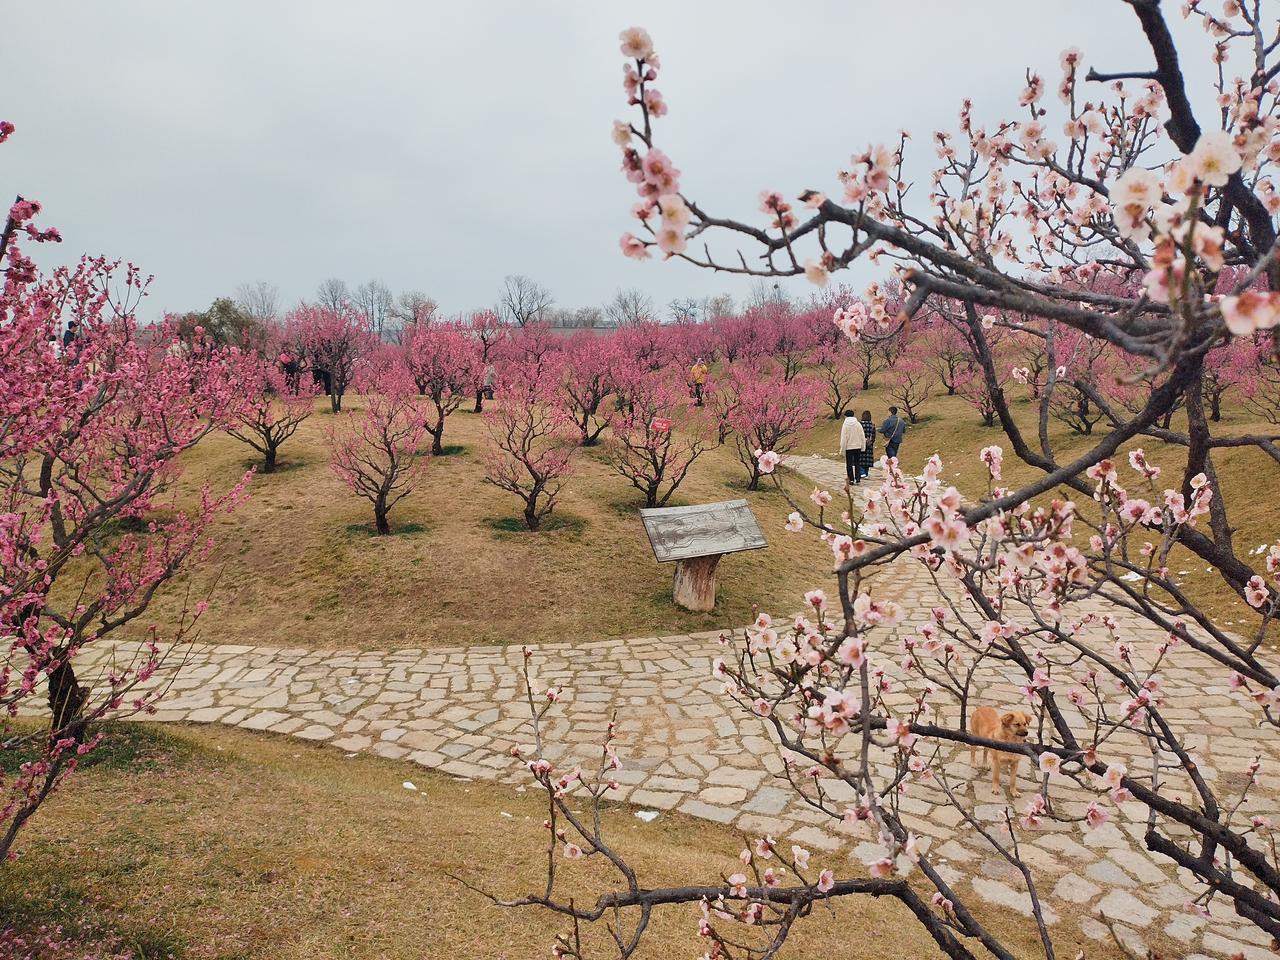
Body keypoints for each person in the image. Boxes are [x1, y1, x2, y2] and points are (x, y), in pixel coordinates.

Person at [838, 409, 867, 486]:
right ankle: (858, 478)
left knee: (849, 464)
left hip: (849, 447)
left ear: (846, 416)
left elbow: (844, 438)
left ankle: (851, 479)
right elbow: (862, 436)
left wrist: (842, 450)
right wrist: (863, 446)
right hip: (857, 446)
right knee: (857, 463)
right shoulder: (858, 424)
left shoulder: (845, 425)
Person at [857, 409, 876, 480]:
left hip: (861, 444)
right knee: (867, 460)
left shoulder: (860, 424)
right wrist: (871, 442)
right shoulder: (872, 425)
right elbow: (873, 436)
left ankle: (862, 473)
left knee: (860, 459)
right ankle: (866, 473)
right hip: (869, 444)